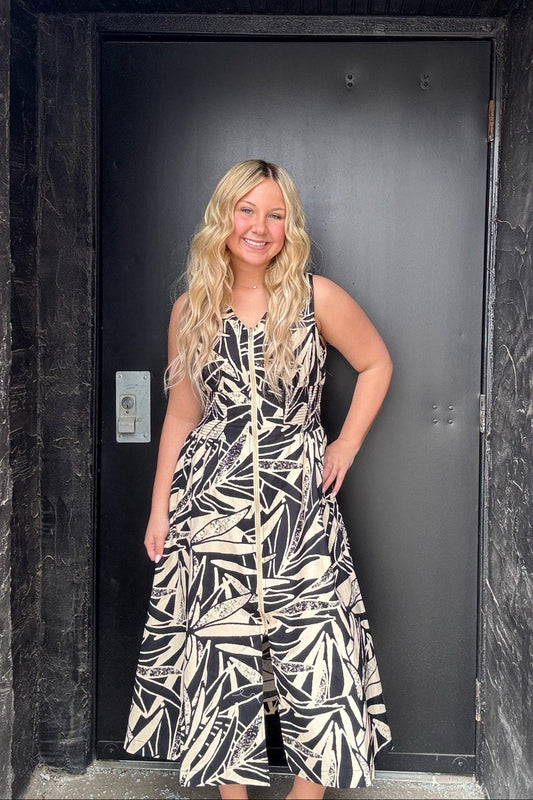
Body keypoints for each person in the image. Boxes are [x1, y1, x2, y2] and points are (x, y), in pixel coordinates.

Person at [124, 159, 393, 800]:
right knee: (220, 654)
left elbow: (377, 362)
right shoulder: (192, 307)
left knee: (317, 643)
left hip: (298, 501)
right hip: (210, 503)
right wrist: (160, 508)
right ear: (224, 217)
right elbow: (184, 415)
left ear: (288, 225)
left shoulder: (313, 296)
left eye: (275, 214)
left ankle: (307, 794)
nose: (260, 226)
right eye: (247, 210)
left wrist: (346, 442)